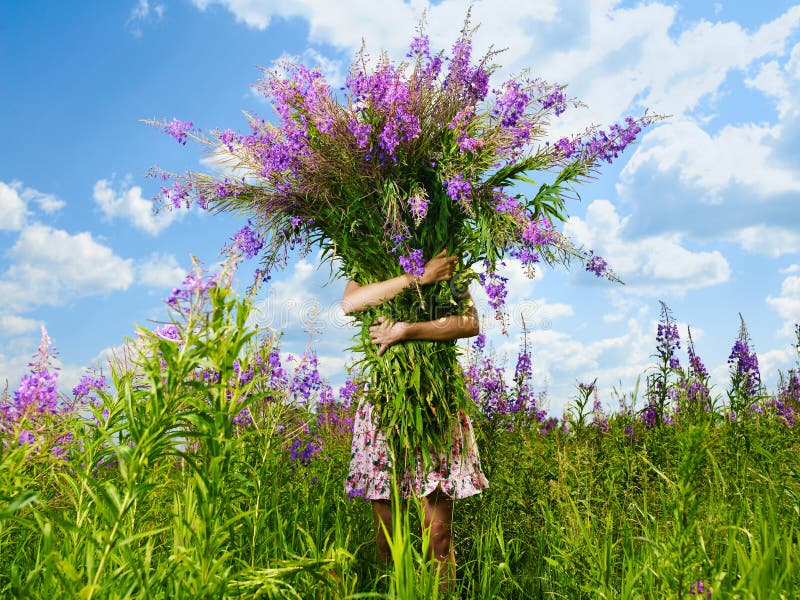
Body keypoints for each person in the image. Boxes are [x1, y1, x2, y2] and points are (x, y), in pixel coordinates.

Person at [341, 249, 489, 580]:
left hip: (435, 399)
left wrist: (407, 330)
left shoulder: (444, 246)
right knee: (388, 538)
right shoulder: (367, 248)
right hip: (384, 402)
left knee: (437, 537)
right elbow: (351, 303)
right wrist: (420, 278)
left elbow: (470, 322)